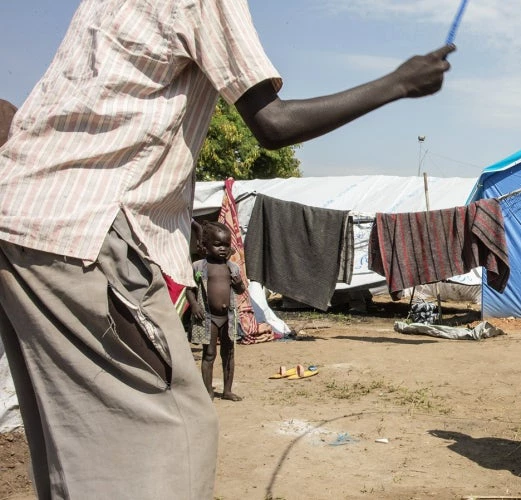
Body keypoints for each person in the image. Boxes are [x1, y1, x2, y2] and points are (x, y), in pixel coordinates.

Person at [0, 1, 453, 497]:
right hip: (86, 232)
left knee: (77, 435)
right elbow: (273, 124)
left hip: (24, 223)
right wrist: (400, 83)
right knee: (175, 436)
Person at [187, 222, 245, 401]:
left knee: (229, 353)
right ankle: (208, 391)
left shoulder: (232, 267)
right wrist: (195, 305)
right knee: (209, 354)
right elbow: (188, 288)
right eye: (217, 244)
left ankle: (227, 391)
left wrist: (238, 283)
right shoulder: (199, 266)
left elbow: (241, 290)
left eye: (226, 245)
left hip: (227, 316)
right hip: (208, 317)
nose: (222, 249)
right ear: (205, 245)